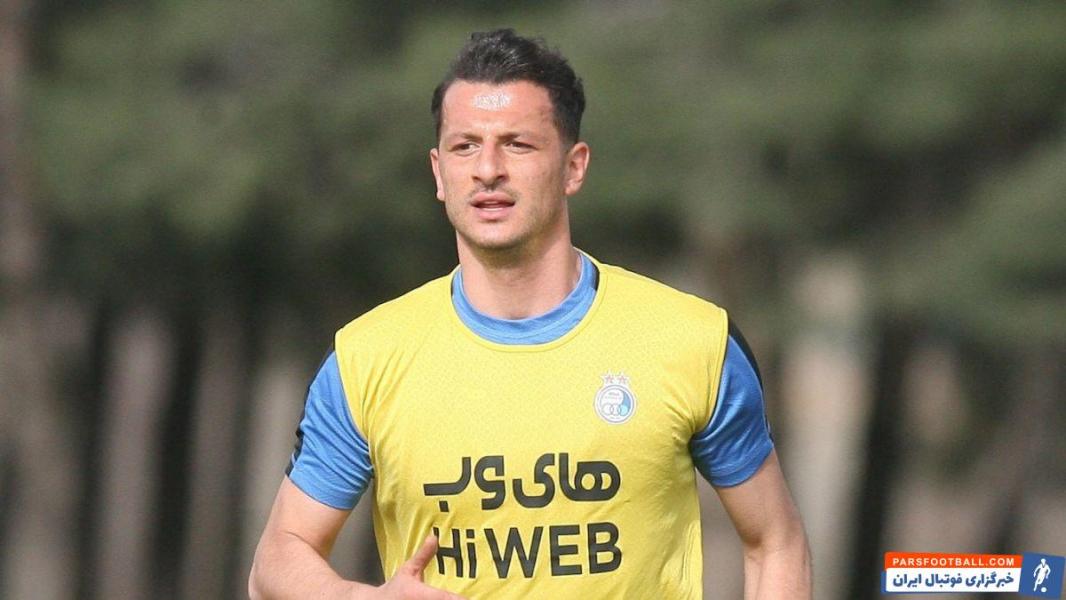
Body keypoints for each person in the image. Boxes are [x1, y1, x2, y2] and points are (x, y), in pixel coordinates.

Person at [249, 28, 811, 599]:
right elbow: (277, 557)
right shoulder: (366, 359)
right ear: (439, 173)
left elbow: (775, 542)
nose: (487, 169)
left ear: (574, 167)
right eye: (465, 146)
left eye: (517, 144)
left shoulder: (692, 342)